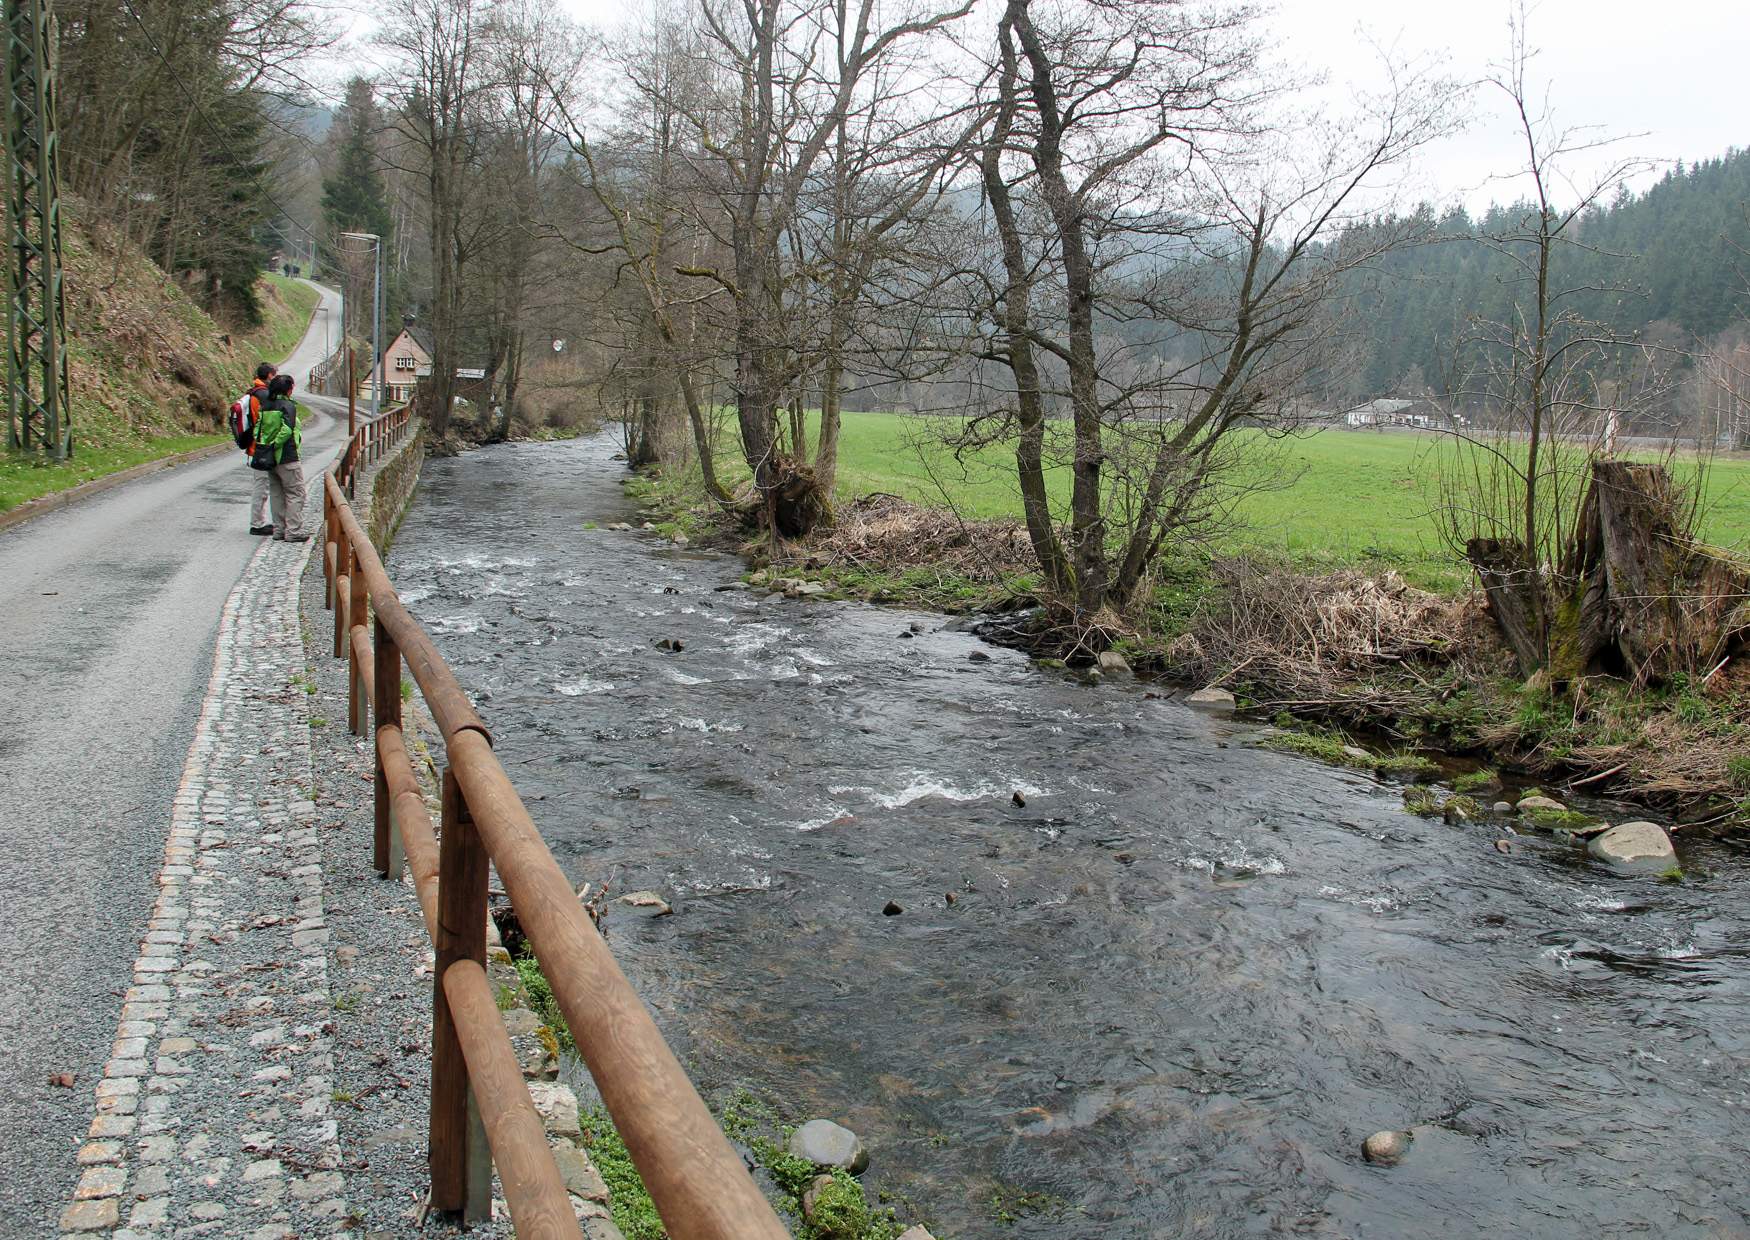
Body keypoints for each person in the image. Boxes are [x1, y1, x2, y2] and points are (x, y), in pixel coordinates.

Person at [254, 373, 308, 542]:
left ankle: (279, 530)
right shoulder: (287, 406)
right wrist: (275, 444)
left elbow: (257, 429)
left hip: (269, 459)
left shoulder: (266, 406)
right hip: (287, 456)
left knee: (276, 493)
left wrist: (265, 445)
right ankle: (293, 531)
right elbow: (287, 429)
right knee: (296, 493)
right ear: (288, 389)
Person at [243, 363, 276, 535]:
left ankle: (260, 521)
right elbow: (263, 424)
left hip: (255, 447)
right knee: (261, 487)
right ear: (270, 375)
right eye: (274, 375)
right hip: (260, 448)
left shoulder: (253, 392)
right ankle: (257, 524)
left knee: (262, 486)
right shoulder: (262, 396)